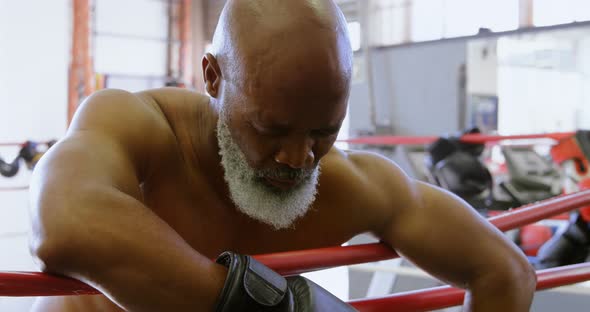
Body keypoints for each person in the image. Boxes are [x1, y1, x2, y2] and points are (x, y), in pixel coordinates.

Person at [29, 0, 536, 311]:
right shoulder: (139, 127)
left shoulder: (349, 186)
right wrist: (276, 309)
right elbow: (66, 222)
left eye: (324, 131)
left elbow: (505, 272)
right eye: (271, 128)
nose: (298, 159)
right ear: (212, 77)